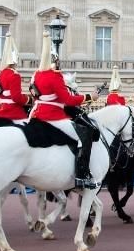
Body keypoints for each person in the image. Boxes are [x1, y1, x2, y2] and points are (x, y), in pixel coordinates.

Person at [29, 33, 94, 188]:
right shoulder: (55, 77)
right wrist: (90, 96)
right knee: (84, 136)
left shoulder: (35, 75)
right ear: (56, 62)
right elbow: (68, 100)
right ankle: (82, 175)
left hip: (35, 115)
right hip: (53, 117)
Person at [0, 33, 30, 123]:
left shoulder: (1, 74)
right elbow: (16, 97)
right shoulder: (15, 75)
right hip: (12, 111)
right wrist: (28, 99)